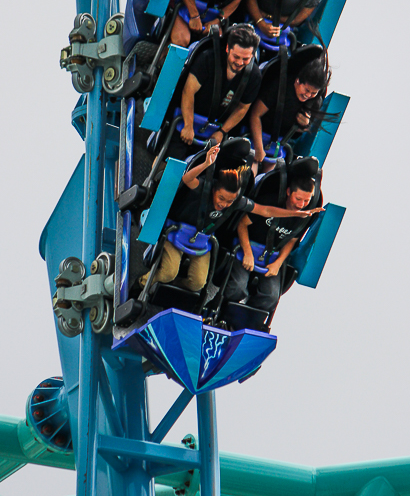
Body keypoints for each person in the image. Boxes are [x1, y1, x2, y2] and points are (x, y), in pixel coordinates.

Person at [140, 144, 319, 292]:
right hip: (175, 232)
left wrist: (295, 214)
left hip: (201, 241)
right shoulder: (203, 187)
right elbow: (187, 178)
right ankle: (141, 284)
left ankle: (167, 290)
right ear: (215, 190)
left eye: (229, 201)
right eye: (221, 199)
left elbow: (264, 211)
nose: (224, 204)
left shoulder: (236, 202)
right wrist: (205, 164)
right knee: (168, 273)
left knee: (198, 283)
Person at [224, 174, 323, 315]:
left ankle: (245, 318)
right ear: (289, 192)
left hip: (271, 257)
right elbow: (242, 224)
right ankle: (224, 311)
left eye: (306, 201)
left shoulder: (304, 215)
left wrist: (278, 263)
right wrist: (247, 252)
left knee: (270, 296)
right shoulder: (270, 201)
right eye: (298, 199)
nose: (301, 205)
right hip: (247, 248)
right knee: (238, 287)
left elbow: (292, 240)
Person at [168, 24, 262, 160]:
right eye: (236, 57)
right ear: (228, 49)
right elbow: (188, 92)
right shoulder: (208, 59)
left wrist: (222, 131)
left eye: (246, 59)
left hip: (216, 129)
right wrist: (188, 125)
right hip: (189, 118)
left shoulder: (254, 76)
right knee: (171, 161)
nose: (240, 62)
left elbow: (243, 108)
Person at [249, 47, 330, 166]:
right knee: (253, 166)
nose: (308, 95)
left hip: (278, 144)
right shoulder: (280, 87)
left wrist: (303, 126)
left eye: (313, 93)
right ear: (298, 81)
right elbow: (255, 115)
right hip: (258, 134)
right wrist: (259, 148)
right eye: (306, 90)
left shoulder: (314, 102)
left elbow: (297, 134)